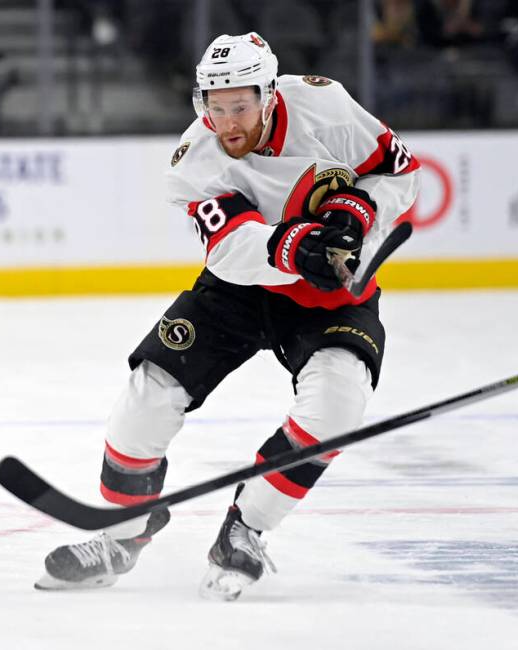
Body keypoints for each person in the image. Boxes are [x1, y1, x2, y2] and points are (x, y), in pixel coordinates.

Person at [35, 32, 420, 600]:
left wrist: (355, 217)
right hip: (239, 288)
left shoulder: (325, 107)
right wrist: (301, 248)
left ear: (269, 95)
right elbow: (231, 250)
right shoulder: (197, 159)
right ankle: (121, 533)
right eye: (215, 109)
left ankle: (247, 528)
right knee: (150, 391)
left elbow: (396, 173)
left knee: (339, 402)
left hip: (330, 299)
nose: (228, 123)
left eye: (239, 106)